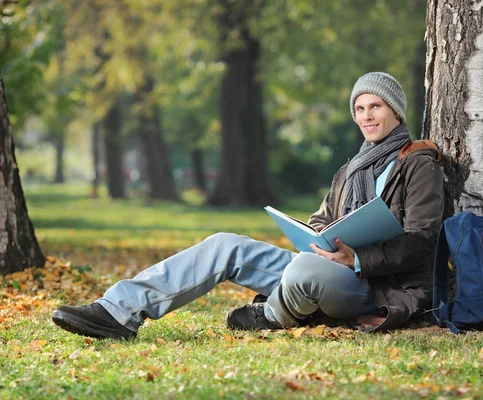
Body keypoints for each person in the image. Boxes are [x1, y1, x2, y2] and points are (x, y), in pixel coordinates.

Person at [52, 72, 445, 340]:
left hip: (377, 288)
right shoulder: (350, 169)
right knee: (226, 243)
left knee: (307, 269)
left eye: (375, 107)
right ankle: (118, 310)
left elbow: (422, 241)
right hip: (324, 270)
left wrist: (355, 259)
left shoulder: (417, 163)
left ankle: (272, 316)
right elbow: (323, 221)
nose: (366, 116)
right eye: (359, 109)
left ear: (395, 110)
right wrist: (311, 234)